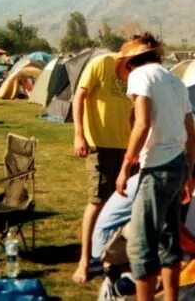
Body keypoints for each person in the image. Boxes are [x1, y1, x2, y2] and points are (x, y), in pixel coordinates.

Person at [114, 33, 195, 301]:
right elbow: (191, 134)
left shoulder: (141, 76)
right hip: (177, 166)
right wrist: (189, 174)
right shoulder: (175, 80)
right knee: (169, 240)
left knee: (140, 245)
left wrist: (126, 164)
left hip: (158, 168)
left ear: (130, 63)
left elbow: (143, 123)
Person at [72, 51, 132, 283]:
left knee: (124, 203)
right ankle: (84, 261)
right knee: (97, 202)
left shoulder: (135, 71)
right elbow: (79, 97)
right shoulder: (101, 63)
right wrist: (79, 135)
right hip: (101, 144)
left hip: (127, 149)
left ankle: (114, 257)